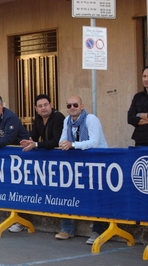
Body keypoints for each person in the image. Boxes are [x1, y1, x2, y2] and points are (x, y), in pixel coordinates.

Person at [8, 94, 65, 233]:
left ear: (51, 104)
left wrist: (36, 144)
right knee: (27, 189)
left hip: (62, 161)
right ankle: (23, 221)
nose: (43, 108)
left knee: (63, 194)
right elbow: (33, 136)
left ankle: (66, 229)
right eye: (40, 106)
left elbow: (57, 142)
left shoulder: (59, 118)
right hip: (45, 162)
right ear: (35, 108)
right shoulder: (38, 119)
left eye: (46, 105)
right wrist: (28, 142)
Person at [56, 95, 108, 244]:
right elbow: (62, 139)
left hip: (98, 161)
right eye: (69, 106)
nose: (72, 108)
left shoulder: (91, 119)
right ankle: (67, 228)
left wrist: (73, 145)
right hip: (77, 162)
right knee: (67, 191)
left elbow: (94, 142)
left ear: (82, 106)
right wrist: (65, 144)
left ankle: (98, 231)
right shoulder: (67, 120)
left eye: (75, 105)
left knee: (96, 195)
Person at [127, 66, 148, 146]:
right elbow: (130, 118)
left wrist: (139, 115)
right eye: (144, 76)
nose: (146, 79)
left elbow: (134, 117)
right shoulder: (137, 97)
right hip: (140, 140)